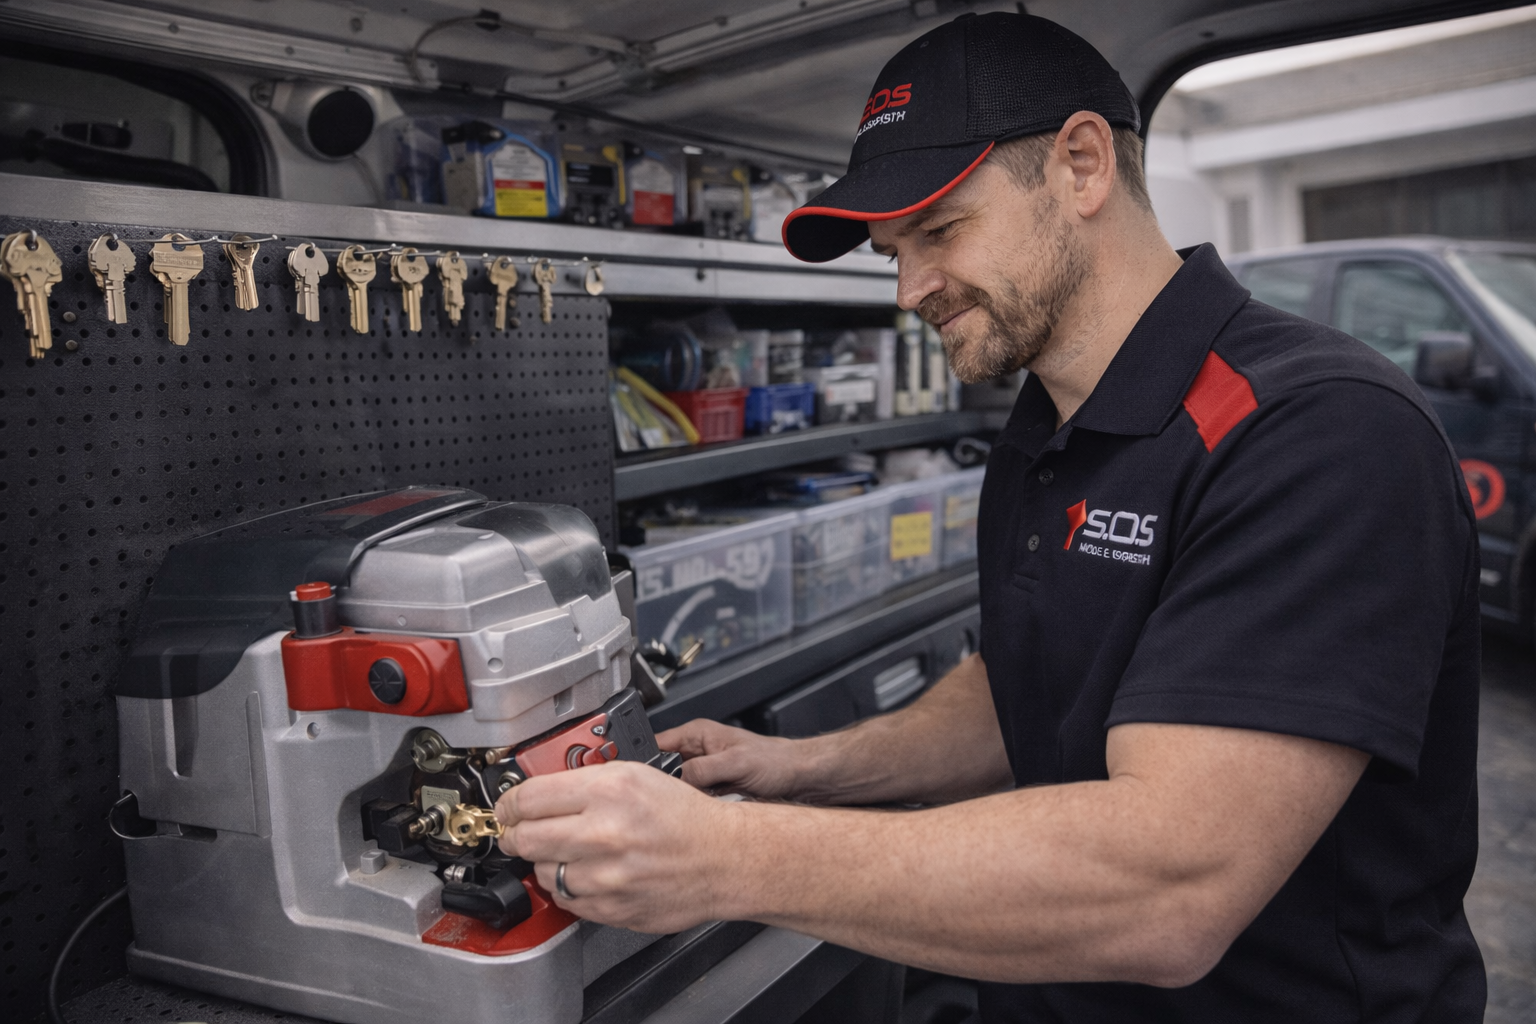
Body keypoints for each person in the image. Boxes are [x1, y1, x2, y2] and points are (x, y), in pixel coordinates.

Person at [495, 12, 1485, 1021]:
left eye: (938, 229)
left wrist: (726, 854)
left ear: (1082, 166)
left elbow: (1171, 886)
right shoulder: (1045, 425)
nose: (910, 288)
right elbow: (1040, 674)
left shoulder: (1321, 433)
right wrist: (807, 767)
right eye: (892, 250)